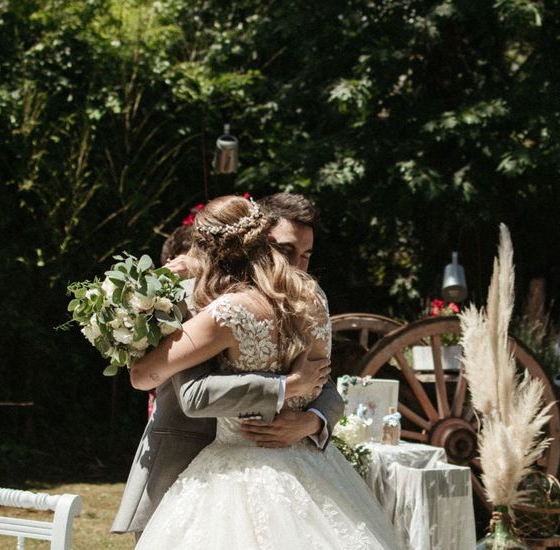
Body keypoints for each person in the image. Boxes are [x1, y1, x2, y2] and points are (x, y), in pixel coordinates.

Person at [130, 195, 401, 549]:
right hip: (221, 456)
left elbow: (141, 376)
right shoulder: (313, 299)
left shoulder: (229, 311)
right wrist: (287, 387)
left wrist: (313, 420)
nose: (297, 266)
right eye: (286, 251)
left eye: (305, 255)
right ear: (261, 241)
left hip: (236, 471)